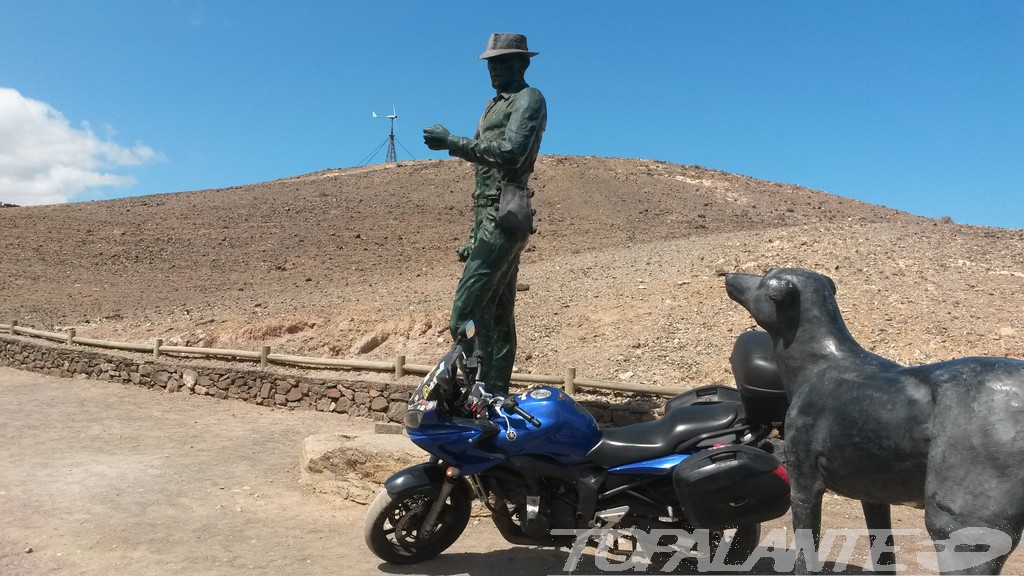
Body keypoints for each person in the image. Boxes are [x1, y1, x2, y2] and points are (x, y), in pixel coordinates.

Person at [423, 33, 547, 395]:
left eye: (504, 62)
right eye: (492, 62)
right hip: (491, 218)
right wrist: (475, 237)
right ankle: (493, 396)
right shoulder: (493, 105)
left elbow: (512, 153)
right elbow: (486, 182)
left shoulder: (529, 99)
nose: (495, 69)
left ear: (523, 64)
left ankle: (471, 393)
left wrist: (452, 143)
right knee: (496, 317)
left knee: (465, 313)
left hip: (504, 215)